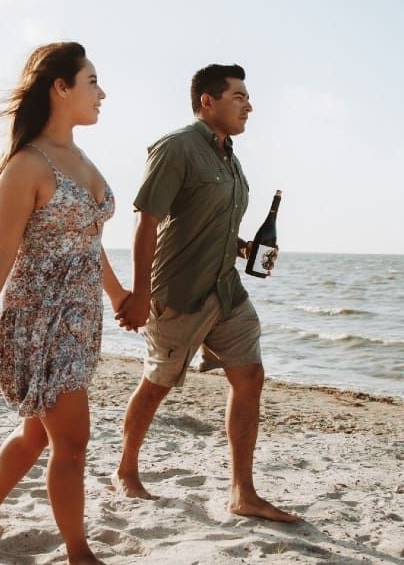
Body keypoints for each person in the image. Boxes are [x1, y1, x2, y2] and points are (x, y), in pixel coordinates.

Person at [0, 41, 127, 565]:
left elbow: (87, 243)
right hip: (37, 321)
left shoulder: (80, 158)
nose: (102, 93)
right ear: (61, 88)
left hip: (80, 320)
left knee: (36, 434)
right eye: (92, 81)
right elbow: (2, 248)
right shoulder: (27, 165)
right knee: (71, 442)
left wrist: (118, 295)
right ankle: (78, 553)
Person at [113, 64, 298, 523]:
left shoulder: (229, 158)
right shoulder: (177, 147)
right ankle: (126, 470)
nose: (249, 105)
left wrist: (243, 248)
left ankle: (243, 492)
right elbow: (147, 220)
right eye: (239, 96)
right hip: (179, 292)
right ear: (207, 101)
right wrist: (138, 293)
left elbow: (213, 222)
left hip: (226, 291)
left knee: (250, 377)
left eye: (248, 97)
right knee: (157, 386)